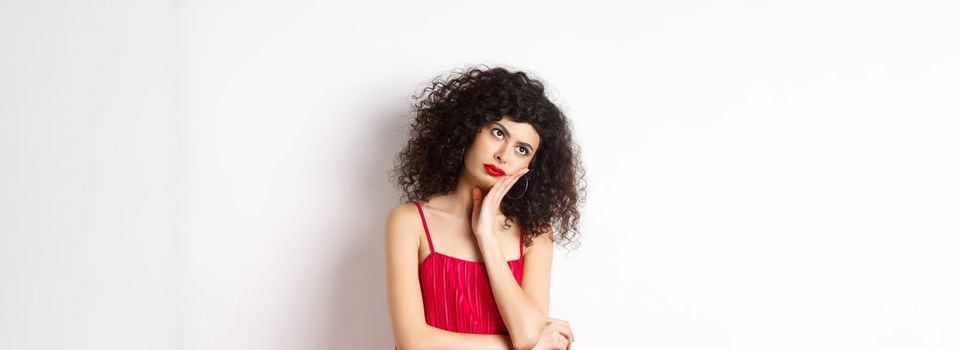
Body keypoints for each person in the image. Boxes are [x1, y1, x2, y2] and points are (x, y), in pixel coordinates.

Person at [385, 65, 585, 350]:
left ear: (530, 167)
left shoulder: (535, 235)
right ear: (468, 128)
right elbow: (413, 343)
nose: (503, 155)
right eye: (498, 133)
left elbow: (527, 334)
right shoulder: (409, 222)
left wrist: (486, 238)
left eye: (522, 149)